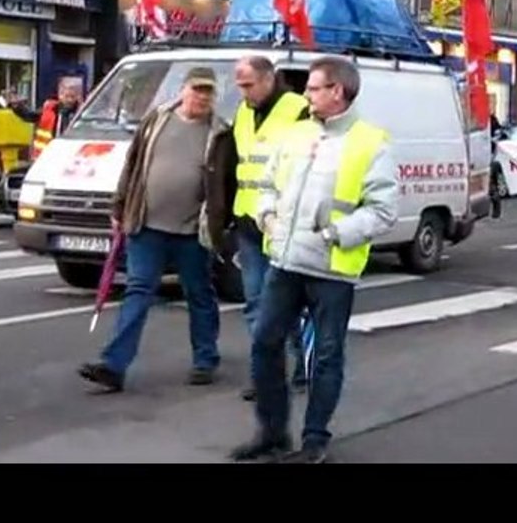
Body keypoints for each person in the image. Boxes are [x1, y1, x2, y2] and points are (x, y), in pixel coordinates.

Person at [231, 56, 398, 464]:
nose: (305, 93)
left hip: (332, 268)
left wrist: (335, 234)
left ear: (337, 92)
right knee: (264, 343)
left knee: (326, 356)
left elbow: (383, 210)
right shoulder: (297, 133)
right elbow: (267, 184)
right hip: (285, 261)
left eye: (313, 87)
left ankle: (314, 440)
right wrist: (266, 216)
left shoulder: (370, 141)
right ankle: (272, 433)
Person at [78, 67, 236, 391]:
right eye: (197, 90)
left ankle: (205, 359)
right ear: (183, 90)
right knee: (138, 291)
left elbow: (226, 181)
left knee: (199, 293)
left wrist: (221, 222)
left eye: (208, 92)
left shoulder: (220, 132)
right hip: (146, 224)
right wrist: (119, 206)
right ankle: (114, 366)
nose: (202, 97)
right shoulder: (157, 120)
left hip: (192, 231)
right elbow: (133, 165)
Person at [232, 56, 310, 402]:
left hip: (284, 223)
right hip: (249, 221)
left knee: (287, 303)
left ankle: (303, 365)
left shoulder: (298, 110)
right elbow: (232, 162)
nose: (243, 92)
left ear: (268, 79)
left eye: (248, 85)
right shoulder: (242, 112)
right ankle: (265, 374)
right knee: (255, 304)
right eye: (240, 86)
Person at [9, 78, 83, 160]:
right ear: (60, 95)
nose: (69, 100)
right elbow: (30, 116)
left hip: (71, 156)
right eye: (66, 96)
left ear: (78, 96)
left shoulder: (83, 113)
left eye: (72, 97)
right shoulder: (49, 109)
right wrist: (17, 107)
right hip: (46, 155)